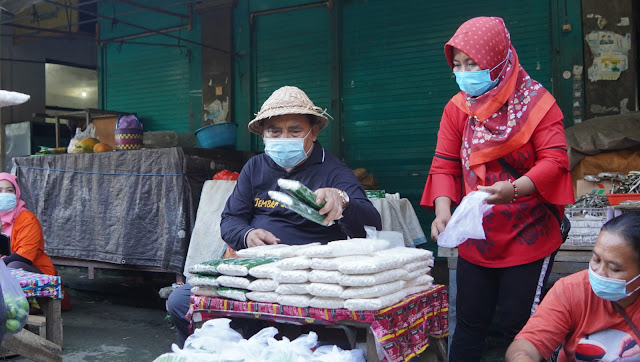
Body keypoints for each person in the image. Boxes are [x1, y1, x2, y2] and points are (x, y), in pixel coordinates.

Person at [168, 85, 382, 347]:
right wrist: (247, 235)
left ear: (313, 132)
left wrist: (344, 201)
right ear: (264, 135)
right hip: (254, 272)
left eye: (294, 130)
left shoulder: (333, 170)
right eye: (274, 131)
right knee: (180, 301)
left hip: (306, 279)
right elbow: (230, 220)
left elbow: (372, 222)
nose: (284, 138)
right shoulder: (255, 167)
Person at [420, 17, 574, 360]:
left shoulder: (538, 104)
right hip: (477, 236)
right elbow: (444, 163)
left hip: (529, 232)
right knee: (470, 323)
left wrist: (514, 189)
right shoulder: (458, 108)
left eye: (472, 63)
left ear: (499, 59)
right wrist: (444, 211)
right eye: (457, 65)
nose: (463, 73)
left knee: (518, 326)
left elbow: (555, 161)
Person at [506, 212, 640, 362]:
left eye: (614, 269)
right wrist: (522, 356)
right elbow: (529, 343)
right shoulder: (571, 290)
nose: (599, 272)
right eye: (596, 259)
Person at [0, 173, 56, 275]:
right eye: (0, 190)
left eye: (9, 191)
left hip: (34, 273)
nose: (4, 194)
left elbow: (24, 256)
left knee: (13, 267)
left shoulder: (27, 219)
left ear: (16, 194)